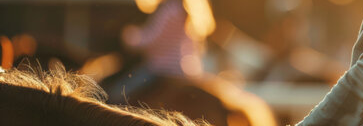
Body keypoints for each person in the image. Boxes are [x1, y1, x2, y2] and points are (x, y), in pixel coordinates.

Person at [0, 63, 210, 126]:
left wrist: (133, 37)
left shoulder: (169, 8)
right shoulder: (190, 8)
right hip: (183, 69)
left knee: (115, 93)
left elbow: (151, 40)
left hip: (158, 68)